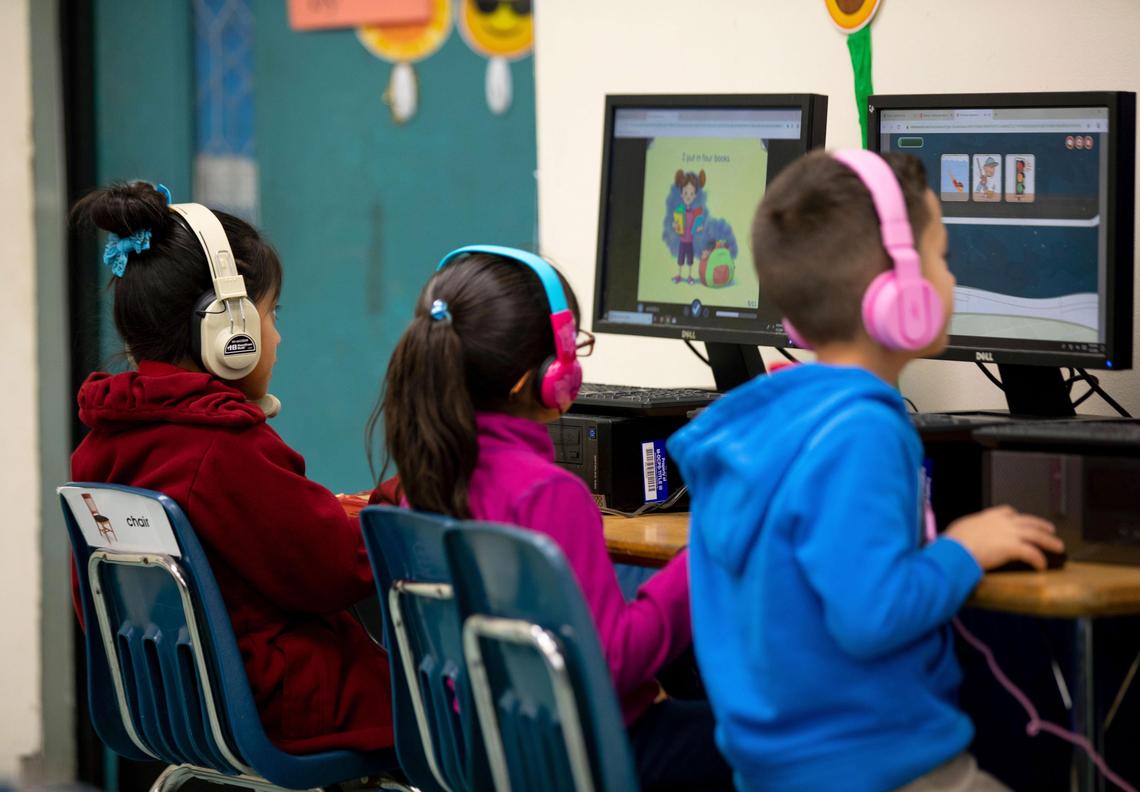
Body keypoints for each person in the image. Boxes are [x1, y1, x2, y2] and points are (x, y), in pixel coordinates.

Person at [669, 151, 1063, 791]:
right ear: (898, 290)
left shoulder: (764, 423)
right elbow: (872, 615)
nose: (951, 277)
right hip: (877, 765)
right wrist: (963, 550)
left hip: (778, 771)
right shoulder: (861, 430)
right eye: (941, 256)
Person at [375, 245, 732, 789]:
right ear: (545, 375)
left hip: (489, 752)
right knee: (775, 738)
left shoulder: (425, 481)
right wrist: (700, 554)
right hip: (589, 759)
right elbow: (611, 664)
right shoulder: (548, 493)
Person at [70, 182, 395, 754]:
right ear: (230, 333)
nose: (278, 336)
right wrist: (408, 494)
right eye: (271, 315)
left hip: (172, 702)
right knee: (448, 709)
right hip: (276, 704)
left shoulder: (101, 444)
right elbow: (335, 570)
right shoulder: (221, 448)